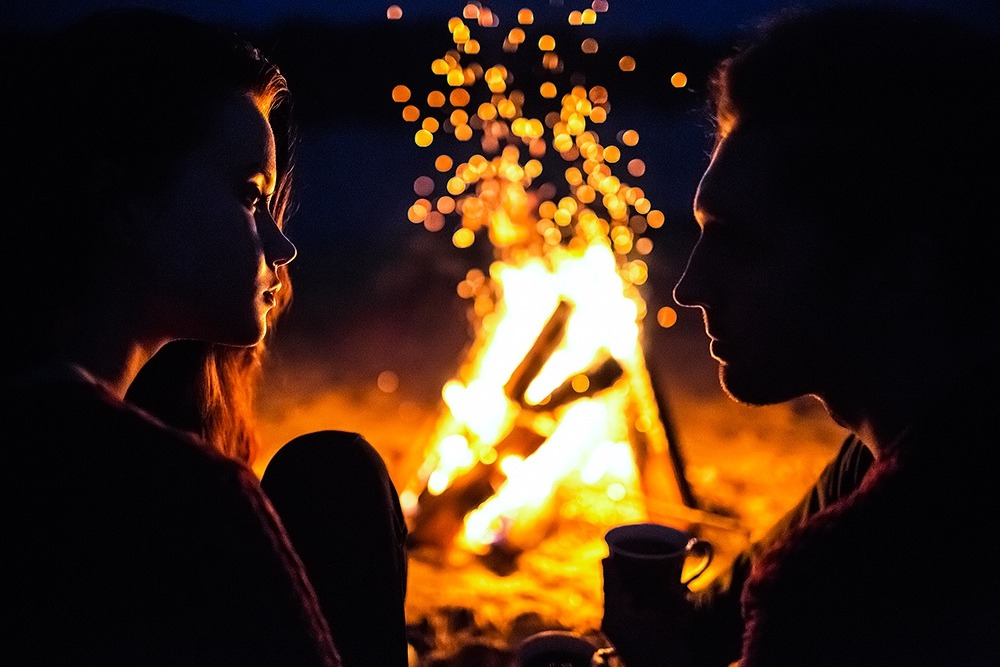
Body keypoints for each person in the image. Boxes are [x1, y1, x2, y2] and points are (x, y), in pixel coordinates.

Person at [602, 5, 1000, 666]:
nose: (689, 287)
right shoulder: (893, 444)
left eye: (738, 242)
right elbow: (715, 623)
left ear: (895, 278)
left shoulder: (854, 572)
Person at [2, 8, 343, 664]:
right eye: (250, 197)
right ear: (127, 204)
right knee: (340, 482)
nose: (283, 244)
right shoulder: (187, 498)